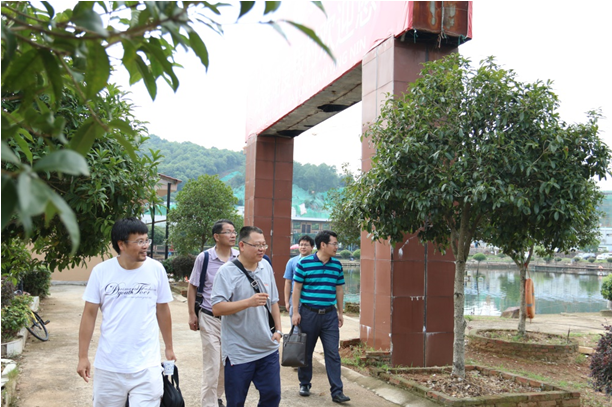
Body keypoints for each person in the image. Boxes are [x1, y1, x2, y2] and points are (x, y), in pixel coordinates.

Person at [77, 217, 175, 407]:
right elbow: (89, 314)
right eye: (139, 241)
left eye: (146, 240)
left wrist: (169, 347)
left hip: (147, 365)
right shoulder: (101, 271)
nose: (145, 246)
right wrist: (83, 356)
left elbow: (163, 310)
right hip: (109, 365)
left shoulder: (156, 269)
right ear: (121, 244)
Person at [211, 226, 283, 407]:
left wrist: (279, 331)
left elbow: (274, 301)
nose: (261, 249)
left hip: (267, 347)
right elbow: (217, 308)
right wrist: (248, 302)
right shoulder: (226, 272)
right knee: (236, 401)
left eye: (264, 245)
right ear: (242, 246)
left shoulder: (266, 266)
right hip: (239, 351)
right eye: (256, 245)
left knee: (272, 396)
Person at [291, 230, 350, 403]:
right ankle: (304, 383)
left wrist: (340, 312)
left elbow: (339, 289)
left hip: (329, 315)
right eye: (334, 244)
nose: (337, 247)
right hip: (308, 314)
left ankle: (337, 391)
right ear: (323, 245)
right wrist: (295, 312)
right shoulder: (304, 263)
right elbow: (297, 288)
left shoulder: (337, 265)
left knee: (333, 353)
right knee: (306, 351)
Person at [187, 219, 239, 407]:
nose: (233, 235)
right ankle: (209, 403)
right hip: (209, 316)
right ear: (217, 236)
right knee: (212, 363)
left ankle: (217, 396)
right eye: (228, 232)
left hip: (233, 320)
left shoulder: (239, 257)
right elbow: (192, 286)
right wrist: (192, 314)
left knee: (227, 362)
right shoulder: (205, 258)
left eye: (234, 232)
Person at [284, 235, 315, 318]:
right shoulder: (292, 261)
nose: (303, 247)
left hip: (310, 298)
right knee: (295, 322)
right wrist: (287, 301)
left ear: (312, 247)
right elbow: (288, 282)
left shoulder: (316, 262)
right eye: (301, 245)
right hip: (295, 297)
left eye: (306, 245)